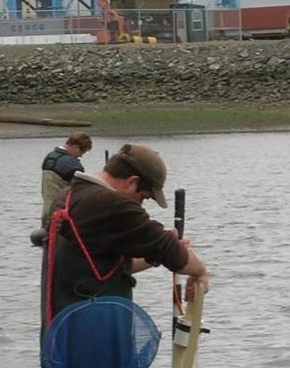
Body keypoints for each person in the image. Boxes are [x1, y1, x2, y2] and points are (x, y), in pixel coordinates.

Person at [42, 142, 209, 326]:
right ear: (132, 181)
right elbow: (170, 250)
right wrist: (199, 272)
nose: (141, 205)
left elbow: (111, 265)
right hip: (95, 331)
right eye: (144, 197)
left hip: (62, 331)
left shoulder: (67, 196)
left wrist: (154, 255)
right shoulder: (113, 204)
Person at [40, 132, 93, 227]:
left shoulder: (50, 157)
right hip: (61, 216)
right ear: (76, 147)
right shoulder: (72, 164)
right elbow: (81, 190)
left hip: (47, 213)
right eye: (82, 152)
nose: (81, 156)